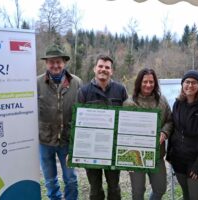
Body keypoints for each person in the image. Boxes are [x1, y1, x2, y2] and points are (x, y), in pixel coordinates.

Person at [78, 54, 128, 200]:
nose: (103, 69)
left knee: (114, 186)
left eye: (107, 67)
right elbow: (76, 122)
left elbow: (127, 117)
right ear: (95, 69)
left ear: (111, 71)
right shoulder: (84, 91)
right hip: (91, 149)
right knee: (95, 188)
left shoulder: (120, 90)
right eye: (100, 66)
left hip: (112, 149)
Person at [37, 45, 82, 200]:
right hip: (44, 140)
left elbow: (82, 110)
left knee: (70, 179)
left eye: (59, 62)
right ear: (46, 63)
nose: (55, 65)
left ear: (64, 63)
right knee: (50, 180)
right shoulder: (37, 83)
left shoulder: (76, 82)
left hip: (67, 141)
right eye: (51, 62)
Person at [166, 70, 198, 200]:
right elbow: (174, 130)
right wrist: (170, 154)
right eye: (187, 82)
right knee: (186, 196)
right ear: (182, 85)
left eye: (194, 82)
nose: (190, 85)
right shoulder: (178, 104)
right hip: (179, 161)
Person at [123, 68, 173, 200]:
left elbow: (170, 120)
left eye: (151, 82)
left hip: (157, 154)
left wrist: (164, 132)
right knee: (138, 192)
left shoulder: (162, 101)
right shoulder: (129, 103)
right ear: (139, 82)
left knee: (160, 188)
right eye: (145, 81)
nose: (148, 85)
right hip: (135, 156)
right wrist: (126, 159)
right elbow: (122, 131)